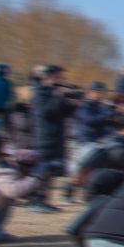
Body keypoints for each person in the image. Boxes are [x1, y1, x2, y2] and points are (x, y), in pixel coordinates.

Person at [29, 65, 79, 213]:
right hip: (44, 138)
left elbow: (65, 112)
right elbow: (47, 112)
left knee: (51, 171)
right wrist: (59, 96)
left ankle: (45, 199)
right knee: (42, 171)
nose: (61, 81)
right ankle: (36, 200)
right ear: (48, 78)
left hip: (56, 137)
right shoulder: (40, 93)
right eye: (58, 77)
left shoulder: (53, 93)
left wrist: (74, 102)